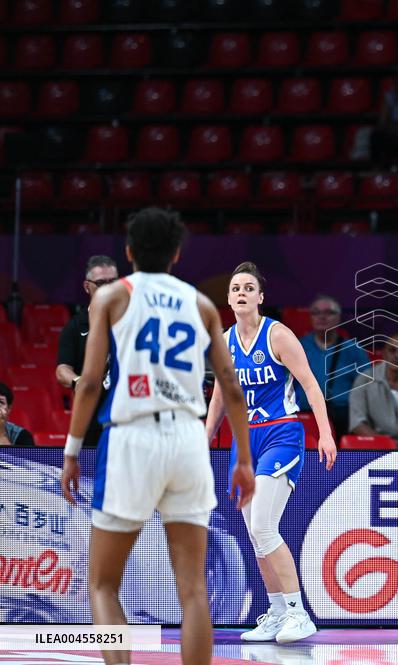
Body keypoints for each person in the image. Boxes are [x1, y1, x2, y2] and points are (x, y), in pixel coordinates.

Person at [59, 207, 255, 665]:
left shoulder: (112, 298)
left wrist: (71, 451)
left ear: (128, 252)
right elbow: (231, 387)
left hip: (132, 437)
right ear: (177, 254)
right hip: (188, 439)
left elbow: (88, 384)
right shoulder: (202, 304)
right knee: (193, 592)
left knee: (104, 584)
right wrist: (243, 459)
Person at [205, 262, 337, 644]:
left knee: (264, 526)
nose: (242, 293)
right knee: (253, 532)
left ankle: (299, 612)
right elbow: (219, 397)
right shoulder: (224, 342)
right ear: (229, 299)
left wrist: (325, 434)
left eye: (249, 287)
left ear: (261, 297)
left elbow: (310, 385)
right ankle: (277, 612)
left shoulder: (278, 335)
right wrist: (204, 439)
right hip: (243, 442)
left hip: (282, 433)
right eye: (235, 288)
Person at [56, 255, 119, 446]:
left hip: (127, 419)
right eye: (101, 283)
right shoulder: (75, 326)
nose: (108, 288)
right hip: (91, 420)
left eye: (113, 282)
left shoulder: (132, 321)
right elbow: (62, 370)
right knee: (91, 475)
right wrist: (78, 382)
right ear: (87, 286)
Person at [293, 294, 370, 439]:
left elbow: (366, 386)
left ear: (339, 317)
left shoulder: (353, 349)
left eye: (328, 313)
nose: (322, 317)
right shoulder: (297, 346)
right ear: (311, 317)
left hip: (343, 417)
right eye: (316, 312)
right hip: (305, 415)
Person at [0, 382, 34, 446]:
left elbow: (25, 456)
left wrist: (1, 434)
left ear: (9, 409)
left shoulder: (22, 436)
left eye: (1, 402)